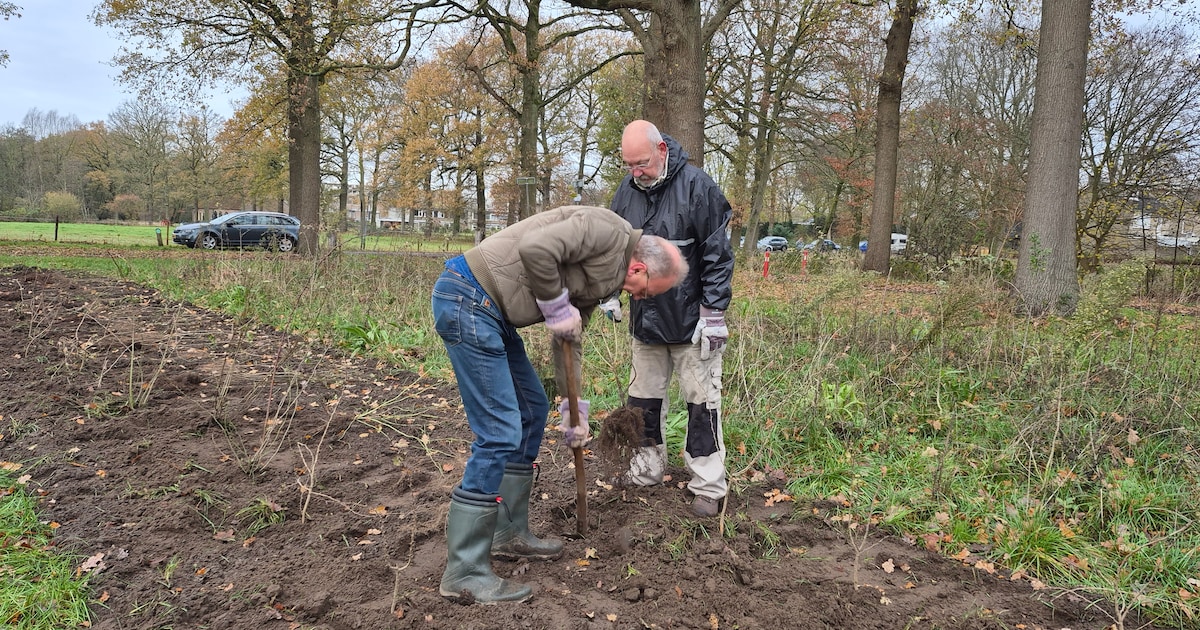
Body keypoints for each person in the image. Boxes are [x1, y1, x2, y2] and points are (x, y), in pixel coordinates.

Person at [432, 205, 687, 604]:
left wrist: (575, 416)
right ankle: (463, 571)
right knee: (499, 431)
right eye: (645, 293)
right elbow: (536, 249)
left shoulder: (606, 280)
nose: (638, 299)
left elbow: (568, 341)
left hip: (491, 312)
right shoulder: (605, 231)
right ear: (640, 270)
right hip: (469, 297)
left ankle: (506, 533)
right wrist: (554, 307)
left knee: (532, 409)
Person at [605, 119, 734, 519]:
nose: (635, 172)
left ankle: (708, 486)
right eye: (628, 165)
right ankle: (645, 471)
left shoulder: (699, 188)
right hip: (645, 322)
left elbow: (718, 256)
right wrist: (610, 291)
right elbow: (613, 249)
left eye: (641, 163)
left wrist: (713, 313)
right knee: (642, 403)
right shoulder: (626, 192)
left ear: (661, 151)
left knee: (701, 406)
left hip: (691, 323)